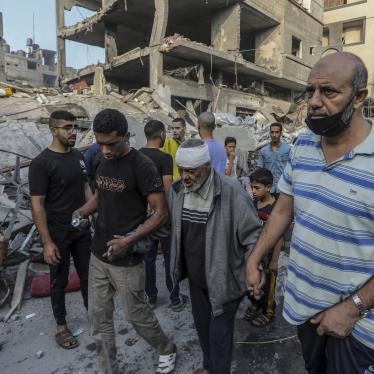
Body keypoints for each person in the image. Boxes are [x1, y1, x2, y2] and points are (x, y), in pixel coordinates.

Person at [246, 52, 374, 373]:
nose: (314, 102)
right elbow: (281, 213)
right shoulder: (303, 146)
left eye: (328, 92)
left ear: (359, 97)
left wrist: (352, 308)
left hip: (358, 327)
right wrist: (254, 258)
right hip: (304, 311)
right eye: (310, 91)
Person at [75, 109, 176, 374]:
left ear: (125, 136)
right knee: (98, 319)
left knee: (136, 315)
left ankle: (166, 348)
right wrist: (82, 211)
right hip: (99, 255)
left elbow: (161, 212)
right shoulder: (100, 160)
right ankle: (110, 369)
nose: (105, 150)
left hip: (127, 260)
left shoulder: (143, 166)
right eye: (100, 143)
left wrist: (129, 240)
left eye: (111, 143)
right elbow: (101, 194)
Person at [167, 139, 261, 374]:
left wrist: (253, 268)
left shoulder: (231, 191)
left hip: (225, 282)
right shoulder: (178, 191)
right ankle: (209, 367)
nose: (185, 176)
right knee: (202, 330)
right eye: (181, 170)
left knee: (219, 337)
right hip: (197, 282)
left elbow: (253, 236)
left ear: (207, 166)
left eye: (191, 171)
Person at [29, 110, 92, 349]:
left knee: (88, 277)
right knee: (59, 281)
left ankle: (93, 316)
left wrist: (91, 215)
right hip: (57, 233)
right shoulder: (41, 164)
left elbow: (86, 188)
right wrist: (46, 242)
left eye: (75, 127)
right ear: (53, 130)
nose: (73, 131)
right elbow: (37, 205)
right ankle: (61, 326)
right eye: (67, 127)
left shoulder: (78, 156)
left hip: (82, 230)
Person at [140, 119, 185, 311]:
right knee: (169, 256)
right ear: (161, 135)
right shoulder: (165, 158)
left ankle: (151, 296)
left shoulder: (136, 156)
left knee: (148, 258)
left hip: (143, 215)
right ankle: (174, 298)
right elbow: (167, 188)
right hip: (162, 215)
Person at [243, 168, 282, 327]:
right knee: (253, 282)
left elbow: (278, 237)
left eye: (257, 188)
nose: (254, 191)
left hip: (268, 256)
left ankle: (268, 312)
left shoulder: (275, 209)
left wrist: (274, 260)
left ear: (269, 187)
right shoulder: (253, 203)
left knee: (268, 286)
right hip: (254, 255)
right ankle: (255, 303)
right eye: (252, 187)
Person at [256, 122, 290, 196]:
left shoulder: (288, 149)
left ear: (281, 133)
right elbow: (260, 170)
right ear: (269, 133)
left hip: (283, 189)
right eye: (272, 132)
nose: (274, 135)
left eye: (277, 132)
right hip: (268, 189)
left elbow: (292, 169)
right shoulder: (263, 151)